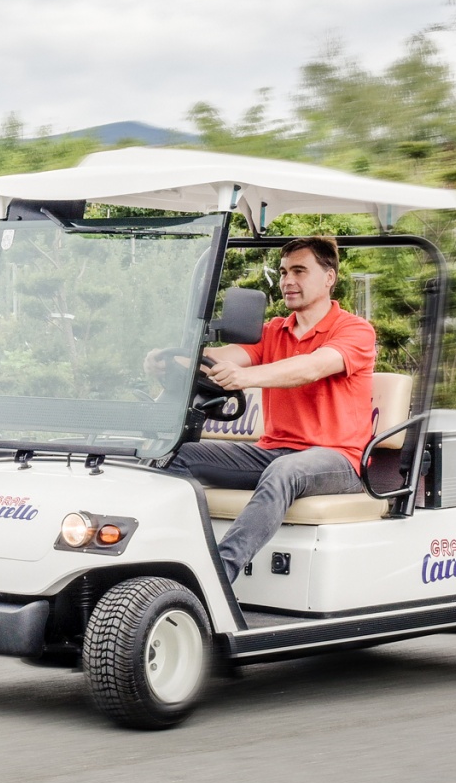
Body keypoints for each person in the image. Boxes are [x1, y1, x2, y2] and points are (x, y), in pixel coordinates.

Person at [155, 236, 376, 584]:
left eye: (300, 271)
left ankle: (214, 580)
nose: (288, 280)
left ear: (329, 277)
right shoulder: (274, 330)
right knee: (173, 454)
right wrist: (173, 362)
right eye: (284, 271)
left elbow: (311, 367)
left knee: (286, 471)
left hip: (338, 460)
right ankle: (155, 559)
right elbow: (224, 358)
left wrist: (245, 377)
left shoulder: (354, 330)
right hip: (274, 453)